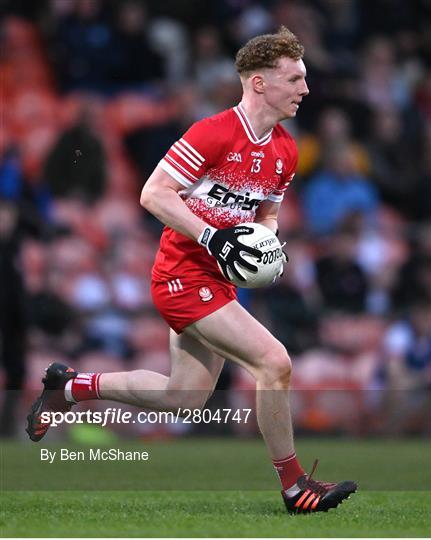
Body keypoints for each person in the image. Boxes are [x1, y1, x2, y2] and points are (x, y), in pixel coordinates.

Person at [27, 26, 357, 514]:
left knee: (182, 397)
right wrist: (214, 237)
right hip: (182, 276)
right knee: (275, 362)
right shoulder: (213, 132)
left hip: (217, 279)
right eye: (294, 79)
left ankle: (70, 388)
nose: (305, 89)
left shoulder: (285, 150)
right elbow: (153, 193)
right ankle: (294, 487)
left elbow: (265, 213)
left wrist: (267, 246)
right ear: (259, 83)